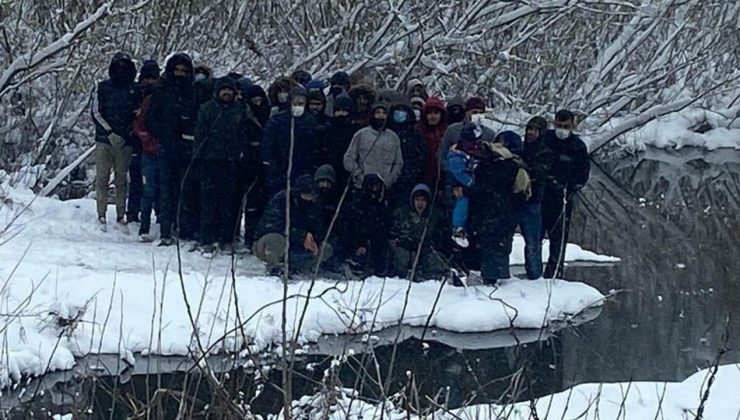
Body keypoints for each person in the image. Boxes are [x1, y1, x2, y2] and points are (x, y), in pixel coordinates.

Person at [146, 53, 200, 245]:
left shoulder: (193, 91)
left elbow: (198, 118)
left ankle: (185, 229)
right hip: (167, 146)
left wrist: (189, 131)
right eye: (176, 70)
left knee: (186, 189)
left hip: (187, 146)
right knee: (166, 190)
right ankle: (166, 231)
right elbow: (151, 117)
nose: (180, 74)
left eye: (183, 71)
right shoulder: (161, 90)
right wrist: (164, 133)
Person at [193, 77, 248, 256]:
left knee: (229, 203)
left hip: (231, 162)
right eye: (223, 90)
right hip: (210, 161)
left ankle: (226, 239)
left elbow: (242, 134)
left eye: (229, 90)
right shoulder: (207, 109)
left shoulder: (239, 110)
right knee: (208, 202)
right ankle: (207, 239)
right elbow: (200, 135)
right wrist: (199, 158)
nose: (227, 93)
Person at [468, 138, 530, 284]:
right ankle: (495, 275)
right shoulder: (515, 166)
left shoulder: (485, 165)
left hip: (489, 209)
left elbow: (478, 188)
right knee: (499, 244)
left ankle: (488, 275)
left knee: (488, 243)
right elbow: (521, 192)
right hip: (503, 210)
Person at [92, 52, 140, 230]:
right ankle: (101, 214)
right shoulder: (102, 88)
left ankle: (121, 215)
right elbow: (96, 112)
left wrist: (127, 133)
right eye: (118, 67)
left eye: (125, 67)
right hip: (104, 140)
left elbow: (139, 114)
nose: (121, 71)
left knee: (121, 180)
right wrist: (110, 132)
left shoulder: (135, 90)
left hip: (125, 141)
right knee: (102, 179)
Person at [541, 110, 590, 278]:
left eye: (566, 126)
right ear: (553, 123)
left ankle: (555, 273)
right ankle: (532, 273)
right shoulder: (545, 139)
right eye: (559, 126)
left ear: (572, 126)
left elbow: (583, 174)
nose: (561, 129)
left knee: (559, 238)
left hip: (563, 198)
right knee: (534, 237)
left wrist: (572, 187)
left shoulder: (577, 146)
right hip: (541, 196)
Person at [253, 174, 332, 276]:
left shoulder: (314, 205)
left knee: (326, 248)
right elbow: (273, 226)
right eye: (305, 195)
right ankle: (274, 267)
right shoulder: (281, 200)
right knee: (275, 240)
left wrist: (314, 240)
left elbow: (319, 227)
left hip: (297, 247)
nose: (308, 199)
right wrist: (301, 236)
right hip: (271, 243)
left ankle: (303, 267)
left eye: (311, 196)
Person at [262, 85, 320, 198]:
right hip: (280, 169)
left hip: (302, 169)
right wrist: (272, 165)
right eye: (295, 103)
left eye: (301, 103)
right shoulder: (277, 121)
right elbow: (268, 144)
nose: (298, 106)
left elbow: (315, 146)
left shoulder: (311, 122)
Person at [518, 116, 553, 279]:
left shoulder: (545, 152)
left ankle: (534, 275)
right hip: (514, 200)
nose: (531, 133)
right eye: (529, 129)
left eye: (535, 130)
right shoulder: (520, 148)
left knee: (533, 242)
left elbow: (538, 173)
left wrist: (522, 167)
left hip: (533, 202)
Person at [126, 60, 160, 224]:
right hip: (136, 141)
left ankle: (158, 212)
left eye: (152, 78)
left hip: (154, 142)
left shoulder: (160, 95)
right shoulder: (135, 93)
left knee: (157, 182)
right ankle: (133, 212)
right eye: (146, 78)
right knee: (136, 179)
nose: (149, 82)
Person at [389, 183, 446, 280]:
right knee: (401, 256)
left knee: (435, 259)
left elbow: (440, 237)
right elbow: (393, 235)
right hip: (406, 249)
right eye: (417, 200)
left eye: (423, 200)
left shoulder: (435, 215)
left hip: (427, 250)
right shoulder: (402, 213)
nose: (420, 204)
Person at [343, 102, 404, 191]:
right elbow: (348, 160)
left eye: (384, 113)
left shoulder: (393, 137)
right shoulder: (360, 135)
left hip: (385, 188)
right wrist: (360, 176)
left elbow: (398, 163)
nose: (381, 116)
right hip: (361, 187)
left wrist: (389, 181)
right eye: (378, 112)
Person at [339, 174, 391, 276]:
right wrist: (358, 245)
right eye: (372, 186)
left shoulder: (382, 208)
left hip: (375, 247)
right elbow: (347, 229)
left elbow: (384, 229)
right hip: (355, 245)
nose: (374, 190)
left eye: (377, 187)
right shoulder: (355, 207)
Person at [132, 60, 162, 241]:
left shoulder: (162, 99)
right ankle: (142, 224)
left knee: (162, 190)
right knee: (147, 188)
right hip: (145, 148)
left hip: (162, 149)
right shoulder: (141, 96)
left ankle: (160, 222)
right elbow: (139, 122)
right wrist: (145, 138)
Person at [447, 124, 486, 248]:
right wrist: (470, 183)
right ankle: (458, 228)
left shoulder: (480, 153)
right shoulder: (457, 155)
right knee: (462, 200)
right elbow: (458, 171)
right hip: (463, 188)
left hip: (478, 191)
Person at [386, 102, 427, 210]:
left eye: (403, 112)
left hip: (408, 180)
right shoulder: (385, 133)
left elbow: (421, 158)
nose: (400, 115)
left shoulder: (415, 136)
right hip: (387, 179)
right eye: (397, 111)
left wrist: (411, 173)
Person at [438, 96, 495, 172]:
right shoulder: (453, 130)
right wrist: (450, 170)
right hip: (454, 176)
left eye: (481, 113)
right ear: (466, 113)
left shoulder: (489, 134)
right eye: (474, 112)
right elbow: (442, 154)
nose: (478, 116)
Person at [315, 94, 359, 192]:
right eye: (338, 111)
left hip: (348, 172)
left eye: (344, 111)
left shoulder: (356, 131)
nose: (341, 114)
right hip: (329, 171)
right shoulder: (325, 130)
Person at [415, 96, 448, 186]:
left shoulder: (447, 132)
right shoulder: (417, 132)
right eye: (429, 113)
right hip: (421, 176)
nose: (432, 116)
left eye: (436, 113)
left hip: (442, 177)